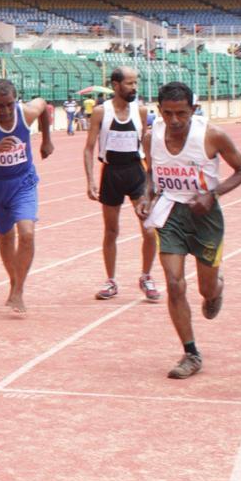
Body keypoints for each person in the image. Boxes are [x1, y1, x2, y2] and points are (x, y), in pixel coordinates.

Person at [141, 83, 241, 379]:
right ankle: (191, 353)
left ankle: (216, 289)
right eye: (168, 113)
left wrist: (212, 195)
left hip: (205, 216)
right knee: (174, 284)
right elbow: (151, 173)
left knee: (205, 289)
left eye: (182, 114)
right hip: (171, 213)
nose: (174, 121)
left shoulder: (212, 135)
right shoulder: (152, 136)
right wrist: (147, 197)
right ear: (159, 110)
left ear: (193, 109)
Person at [0, 78, 55, 313]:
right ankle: (14, 282)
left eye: (9, 104)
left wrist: (46, 140)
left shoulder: (25, 113)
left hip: (23, 182)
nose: (5, 111)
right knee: (5, 238)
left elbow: (44, 105)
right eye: (0, 106)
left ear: (16, 101)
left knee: (26, 232)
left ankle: (18, 290)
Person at [85, 66, 161, 303]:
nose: (134, 87)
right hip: (111, 174)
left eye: (135, 83)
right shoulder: (100, 112)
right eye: (129, 83)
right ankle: (111, 281)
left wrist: (154, 180)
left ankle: (146, 276)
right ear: (116, 85)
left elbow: (146, 145)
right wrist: (90, 180)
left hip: (136, 172)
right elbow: (88, 148)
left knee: (149, 228)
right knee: (111, 230)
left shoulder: (140, 111)